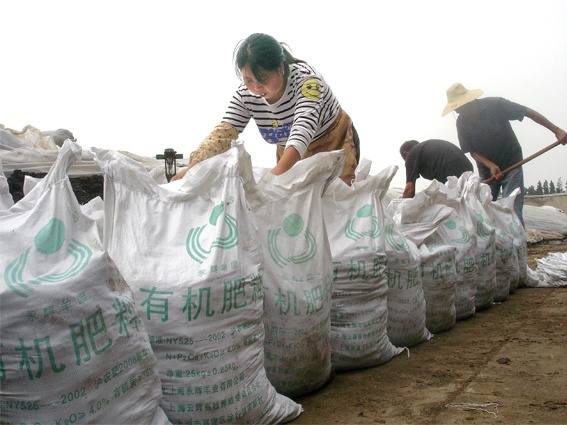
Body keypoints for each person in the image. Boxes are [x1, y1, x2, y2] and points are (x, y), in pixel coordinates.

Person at [171, 33, 359, 184]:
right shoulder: (246, 95)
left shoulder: (307, 82)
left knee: (335, 203)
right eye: (249, 80)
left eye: (263, 79)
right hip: (289, 153)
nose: (256, 88)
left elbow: (302, 131)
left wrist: (270, 180)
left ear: (280, 67)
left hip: (333, 144)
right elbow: (223, 134)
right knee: (292, 205)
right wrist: (192, 168)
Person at [442, 82, 566, 227]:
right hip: (487, 170)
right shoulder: (462, 122)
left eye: (459, 108)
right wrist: (490, 165)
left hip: (511, 162)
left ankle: (517, 239)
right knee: (484, 211)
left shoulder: (496, 105)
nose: (458, 112)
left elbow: (527, 112)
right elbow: (472, 152)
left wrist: (556, 130)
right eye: (456, 109)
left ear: (468, 102)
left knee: (512, 211)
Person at [399, 139, 474, 198]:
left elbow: (409, 189)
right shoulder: (428, 146)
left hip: (452, 173)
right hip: (468, 170)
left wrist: (402, 209)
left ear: (405, 153)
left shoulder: (412, 154)